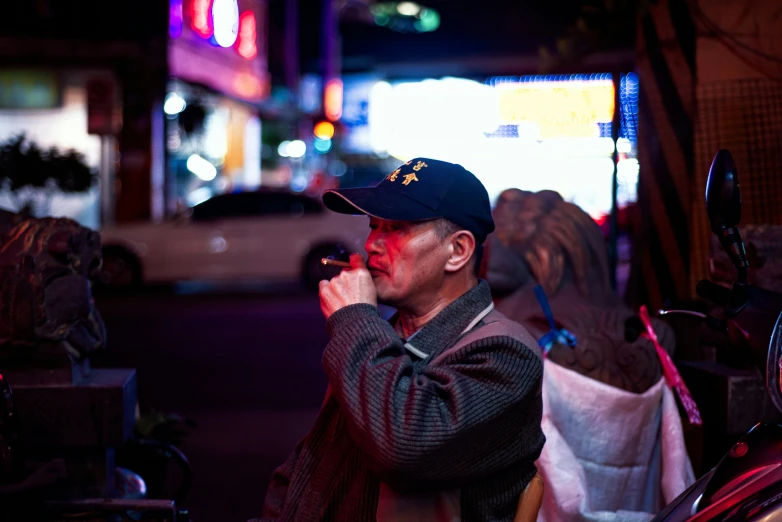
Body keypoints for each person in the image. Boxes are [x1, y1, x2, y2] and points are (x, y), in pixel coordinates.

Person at [257, 158, 545, 522]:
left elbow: (405, 449)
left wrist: (356, 319)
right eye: (373, 225)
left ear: (457, 251)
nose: (372, 243)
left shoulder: (505, 353)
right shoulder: (387, 336)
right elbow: (311, 468)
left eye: (395, 228)